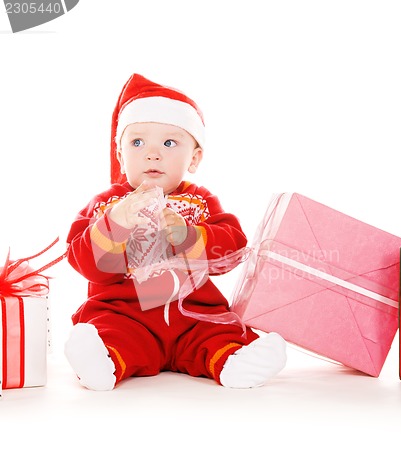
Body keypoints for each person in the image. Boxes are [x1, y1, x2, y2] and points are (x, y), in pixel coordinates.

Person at [64, 73, 287, 390]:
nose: (152, 154)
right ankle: (101, 362)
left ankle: (235, 363)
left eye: (169, 143)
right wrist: (115, 225)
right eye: (137, 142)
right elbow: (85, 262)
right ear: (119, 155)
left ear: (194, 158)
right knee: (111, 332)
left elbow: (232, 245)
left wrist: (189, 235)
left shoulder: (199, 200)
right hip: (127, 315)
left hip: (192, 315)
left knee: (216, 334)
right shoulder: (107, 204)